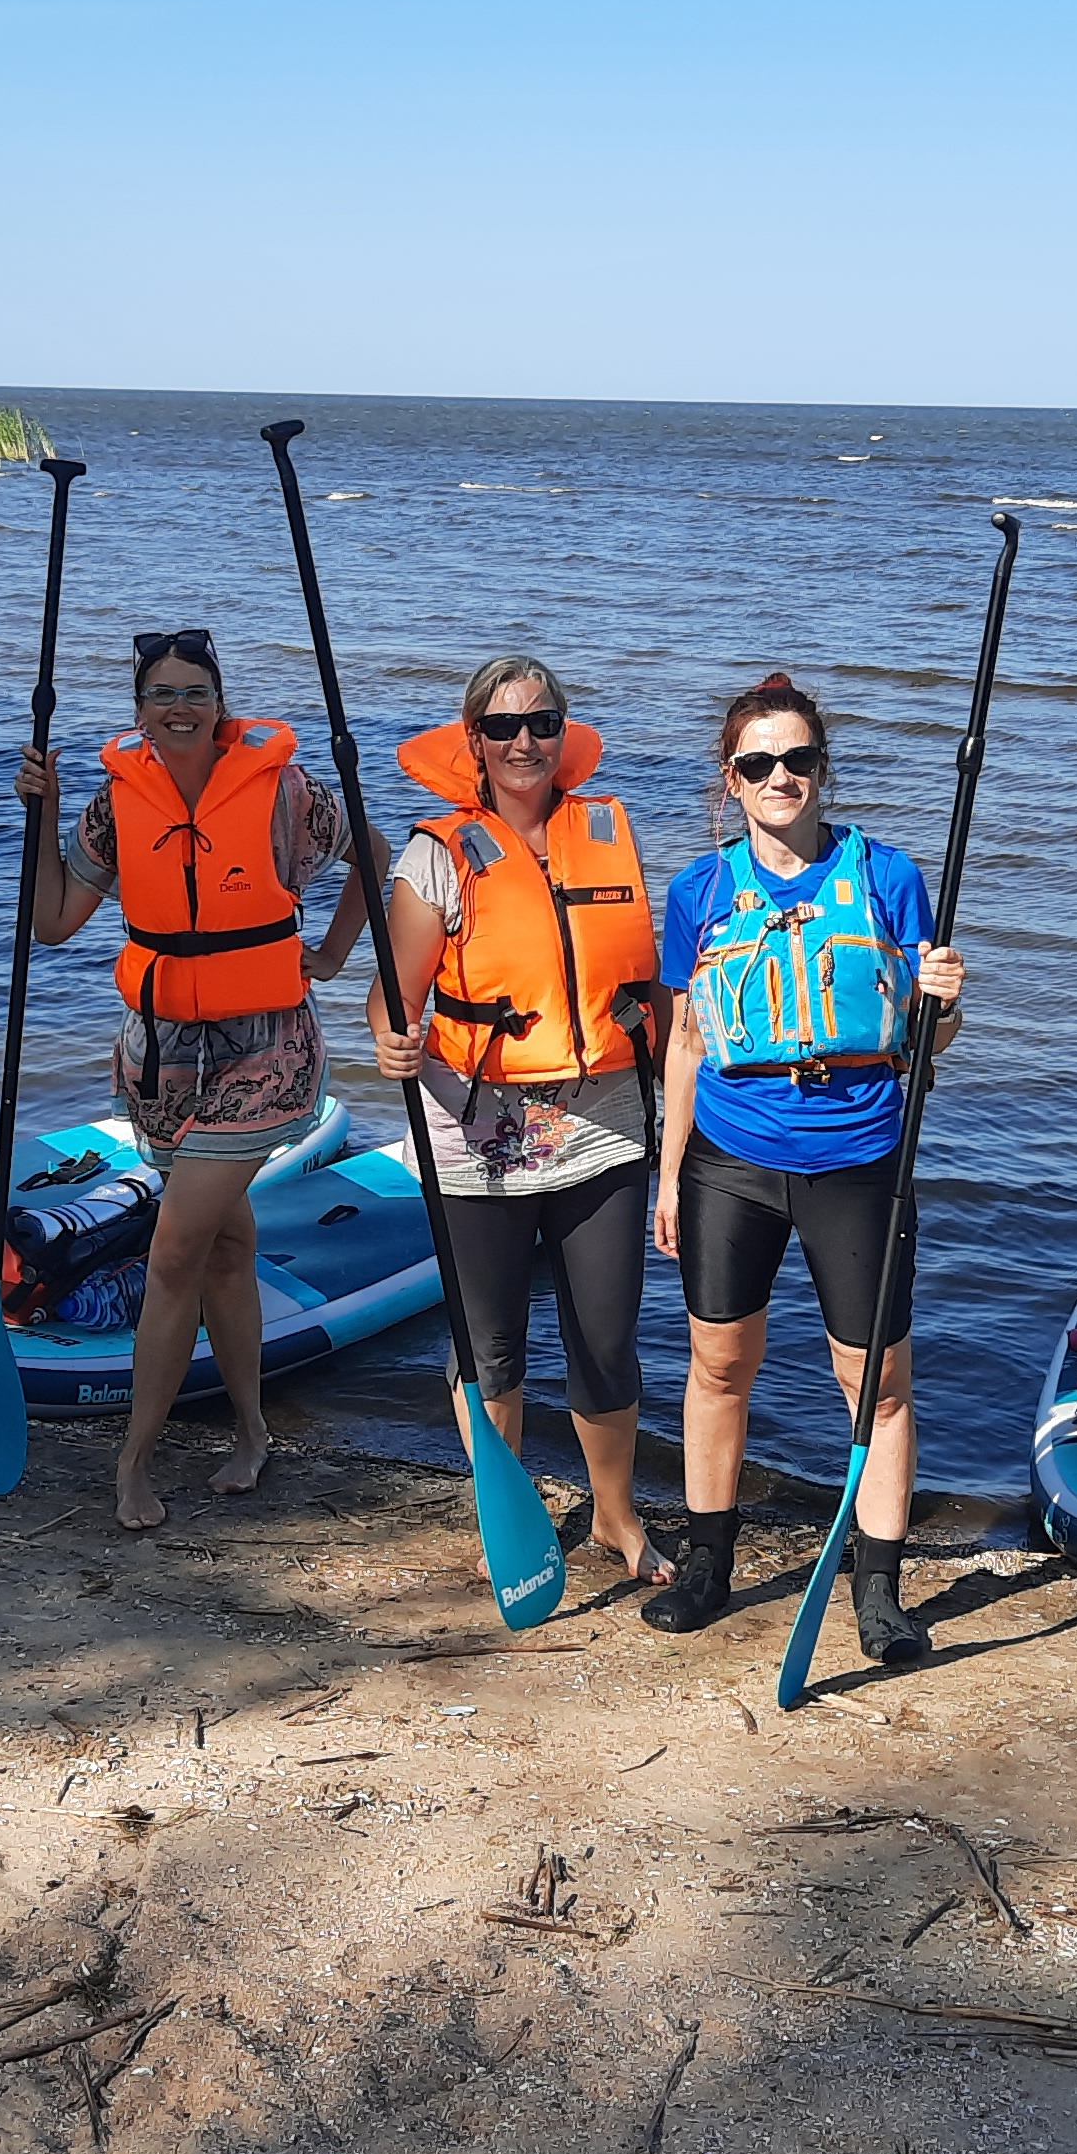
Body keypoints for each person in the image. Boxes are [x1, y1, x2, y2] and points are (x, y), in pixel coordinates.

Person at [14, 626, 372, 1530]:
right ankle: (252, 1433)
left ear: (221, 707)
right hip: (159, 1055)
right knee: (221, 1248)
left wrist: (331, 955)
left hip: (264, 1050)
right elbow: (53, 922)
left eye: (194, 693)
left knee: (172, 1253)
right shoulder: (112, 800)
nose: (177, 707)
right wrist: (42, 814)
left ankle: (133, 1462)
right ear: (138, 711)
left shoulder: (281, 786)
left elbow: (371, 850)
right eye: (160, 694)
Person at [647, 671, 965, 1653]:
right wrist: (666, 1176)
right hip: (730, 1161)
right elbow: (687, 1039)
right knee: (718, 1365)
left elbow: (928, 1042)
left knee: (875, 1382)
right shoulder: (699, 891)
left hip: (860, 1156)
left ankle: (877, 1590)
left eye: (798, 759)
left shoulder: (889, 877)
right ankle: (708, 1563)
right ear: (731, 783)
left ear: (824, 772)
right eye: (759, 763)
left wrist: (945, 1001)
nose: (781, 776)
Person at [365, 654, 670, 1588]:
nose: (525, 742)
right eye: (503, 727)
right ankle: (506, 1505)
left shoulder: (609, 830)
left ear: (564, 732)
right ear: (476, 742)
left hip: (604, 1121)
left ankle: (616, 1515)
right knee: (490, 1342)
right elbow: (391, 1001)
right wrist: (390, 1045)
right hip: (478, 1131)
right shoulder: (438, 854)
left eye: (542, 722)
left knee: (605, 1336)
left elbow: (652, 980)